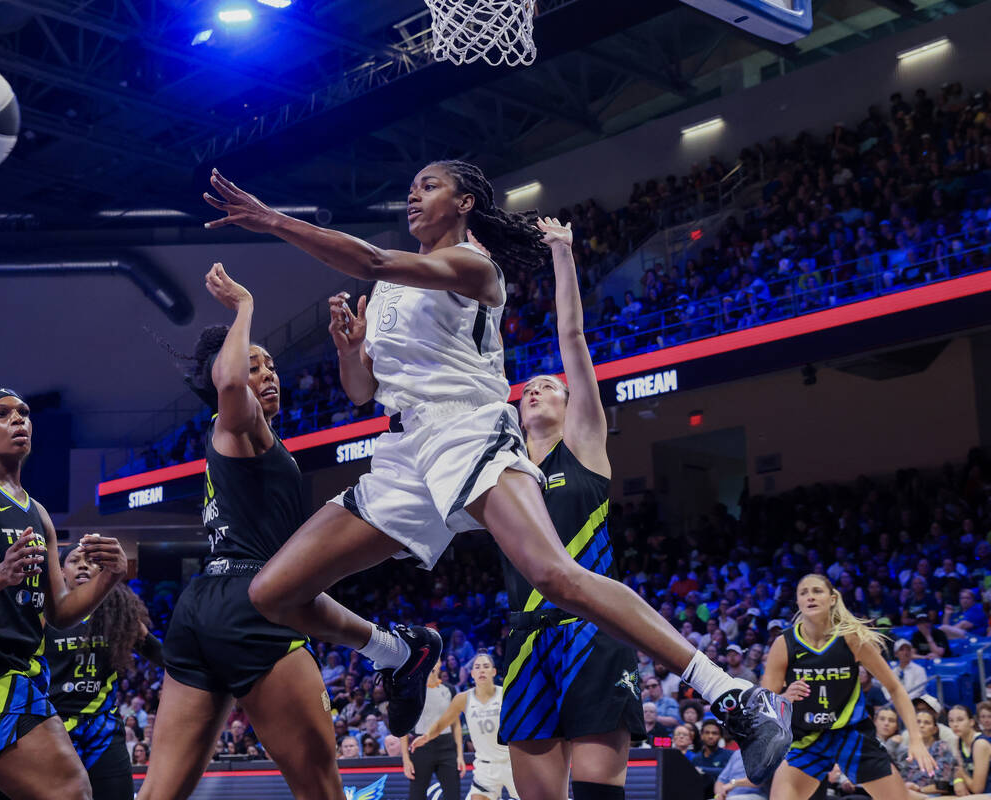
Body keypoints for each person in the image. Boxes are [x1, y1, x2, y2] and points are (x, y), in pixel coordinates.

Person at [204, 163, 791, 783]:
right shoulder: (386, 292)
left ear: (465, 202)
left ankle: (730, 693)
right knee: (271, 593)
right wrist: (352, 351)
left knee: (555, 575)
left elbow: (373, 261)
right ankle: (399, 651)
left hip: (465, 426)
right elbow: (360, 392)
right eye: (411, 186)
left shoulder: (476, 267)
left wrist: (270, 220)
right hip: (403, 451)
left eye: (429, 185)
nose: (413, 192)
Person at [137, 265, 343, 800]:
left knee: (159, 794)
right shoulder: (239, 422)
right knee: (322, 790)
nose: (268, 372)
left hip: (202, 604)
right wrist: (245, 308)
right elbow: (228, 382)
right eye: (255, 365)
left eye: (271, 364)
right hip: (254, 602)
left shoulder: (241, 437)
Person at [494, 217, 645, 800]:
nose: (535, 389)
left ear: (571, 401)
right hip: (526, 638)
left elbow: (572, 339)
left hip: (594, 631)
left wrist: (561, 252)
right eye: (527, 387)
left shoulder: (583, 443)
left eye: (549, 386)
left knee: (598, 794)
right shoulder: (501, 467)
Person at [0, 388, 128, 800]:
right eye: (2, 414)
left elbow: (61, 613)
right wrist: (0, 573)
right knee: (71, 790)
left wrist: (111, 577)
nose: (19, 420)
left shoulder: (40, 514)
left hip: (20, 672)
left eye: (24, 413)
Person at [762, 574, 937, 800]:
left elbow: (895, 688)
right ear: (797, 602)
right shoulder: (784, 644)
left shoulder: (851, 639)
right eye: (803, 593)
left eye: (817, 591)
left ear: (832, 598)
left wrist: (915, 740)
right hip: (807, 739)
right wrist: (784, 696)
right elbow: (765, 701)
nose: (810, 597)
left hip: (851, 735)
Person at [46, 543, 162, 800]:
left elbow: (156, 652)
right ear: (61, 572)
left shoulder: (117, 611)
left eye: (91, 561)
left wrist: (195, 669)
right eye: (75, 561)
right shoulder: (44, 613)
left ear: (103, 572)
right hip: (54, 728)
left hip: (103, 728)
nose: (84, 565)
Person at [412, 652, 516, 800]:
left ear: (494, 672)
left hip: (511, 762)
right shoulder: (463, 699)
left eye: (486, 666)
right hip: (485, 767)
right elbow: (443, 723)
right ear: (472, 673)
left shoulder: (506, 695)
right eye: (477, 667)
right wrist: (427, 736)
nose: (481, 670)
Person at [401, 661, 462, 800]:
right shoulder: (412, 690)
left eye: (436, 660)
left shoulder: (449, 689)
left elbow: (456, 724)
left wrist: (460, 755)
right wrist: (405, 759)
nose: (432, 663)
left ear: (440, 664)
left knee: (453, 795)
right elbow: (403, 727)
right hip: (421, 747)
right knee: (417, 796)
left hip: (447, 747)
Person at [897, 707, 957, 797]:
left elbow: (942, 786)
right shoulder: (906, 750)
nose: (921, 725)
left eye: (927, 723)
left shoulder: (940, 747)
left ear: (934, 729)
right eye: (918, 722)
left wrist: (919, 790)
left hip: (930, 795)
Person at [948, 704, 990, 794]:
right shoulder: (959, 741)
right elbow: (957, 770)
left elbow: (978, 789)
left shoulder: (980, 744)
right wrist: (958, 781)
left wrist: (962, 774)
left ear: (971, 722)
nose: (955, 724)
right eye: (951, 721)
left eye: (960, 720)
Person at [693, 721, 732, 787]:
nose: (710, 736)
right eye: (707, 733)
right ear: (701, 736)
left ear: (720, 736)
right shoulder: (696, 759)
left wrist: (701, 769)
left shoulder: (730, 755)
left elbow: (728, 772)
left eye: (714, 733)